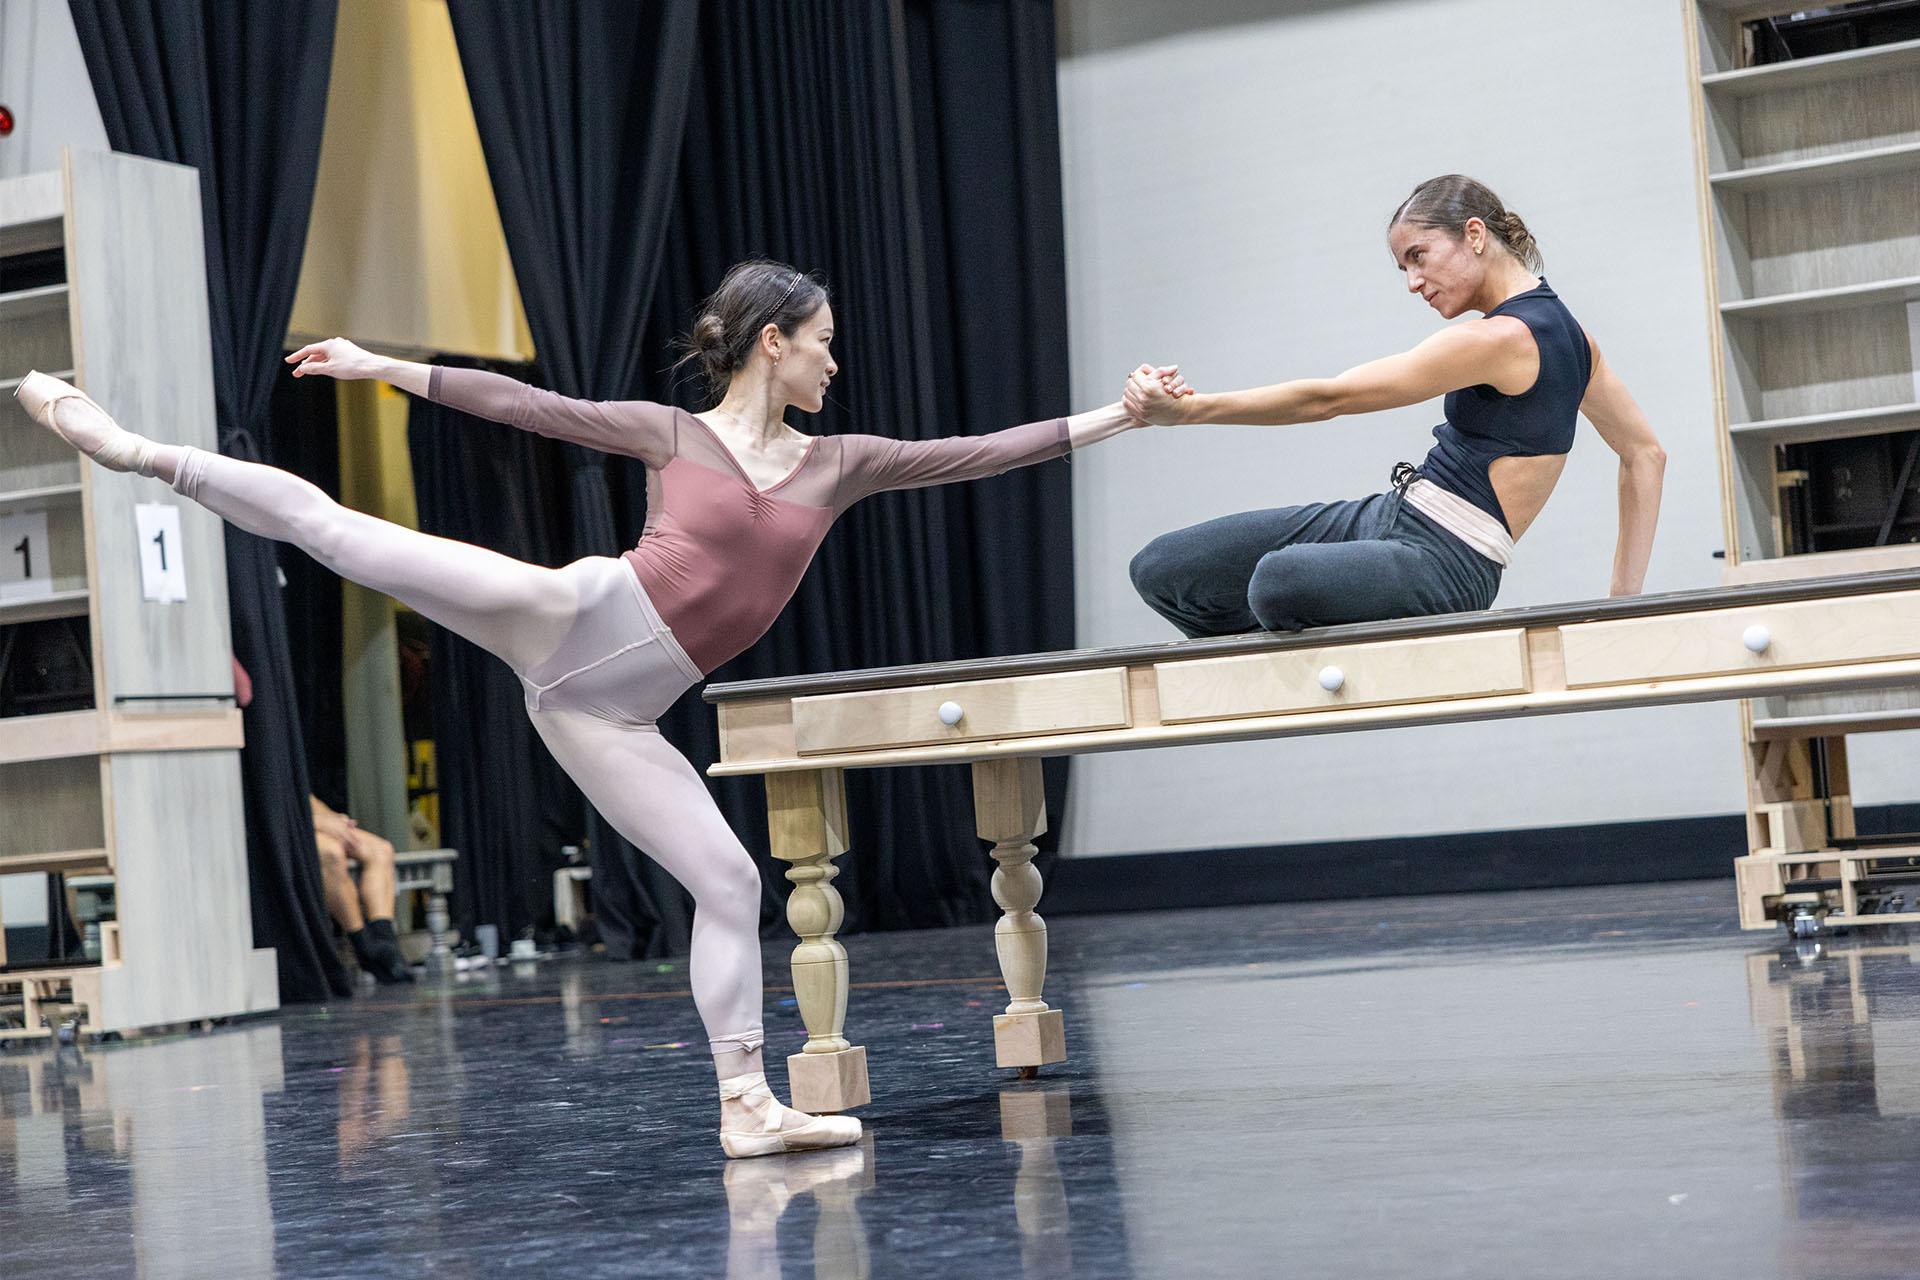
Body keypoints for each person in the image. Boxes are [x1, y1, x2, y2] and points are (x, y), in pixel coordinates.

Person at [16, 258, 1149, 1158]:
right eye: (824, 341)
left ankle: (746, 1102)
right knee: (344, 534)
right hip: (579, 619)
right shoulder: (673, 434)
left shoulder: (839, 462)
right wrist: (382, 365)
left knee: (728, 879)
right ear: (775, 341)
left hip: (607, 713)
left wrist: (1121, 417)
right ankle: (129, 448)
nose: (834, 362)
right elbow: (532, 406)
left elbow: (980, 455)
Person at [1125, 174, 1667, 638]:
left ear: (1473, 235)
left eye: (1418, 257)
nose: (1413, 283)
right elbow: (1646, 455)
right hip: (1394, 516)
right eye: (1404, 267)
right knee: (1163, 569)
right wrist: (1622, 605)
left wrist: (1188, 411)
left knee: (1277, 581)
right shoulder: (1577, 341)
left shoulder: (1501, 338)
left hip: (1448, 563)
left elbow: (1328, 399)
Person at [311, 795, 414, 985]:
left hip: (311, 820)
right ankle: (363, 945)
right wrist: (319, 822)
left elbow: (304, 796)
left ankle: (385, 940)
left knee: (381, 849)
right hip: (292, 826)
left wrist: (333, 819)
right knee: (331, 853)